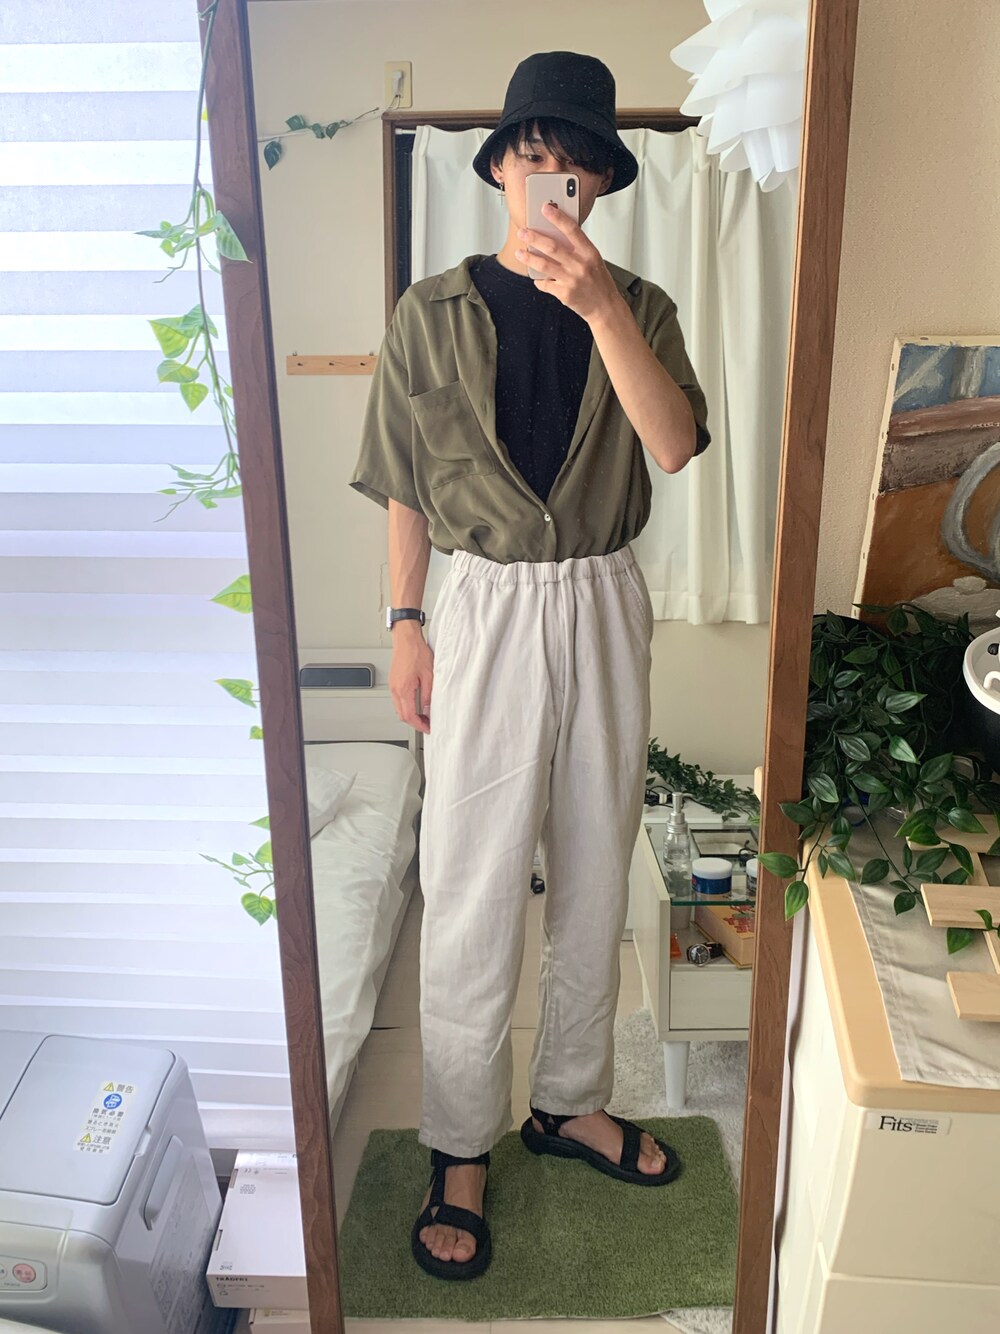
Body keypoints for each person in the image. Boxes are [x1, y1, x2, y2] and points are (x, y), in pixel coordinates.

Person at [349, 50, 711, 1282]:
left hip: (600, 593)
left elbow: (672, 446)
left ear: (598, 181)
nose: (555, 176)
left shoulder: (641, 306)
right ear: (501, 165)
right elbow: (404, 482)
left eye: (578, 161)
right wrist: (406, 620)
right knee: (470, 879)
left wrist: (602, 310)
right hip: (484, 603)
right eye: (535, 153)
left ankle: (567, 1099)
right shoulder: (431, 311)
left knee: (596, 862)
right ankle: (460, 1138)